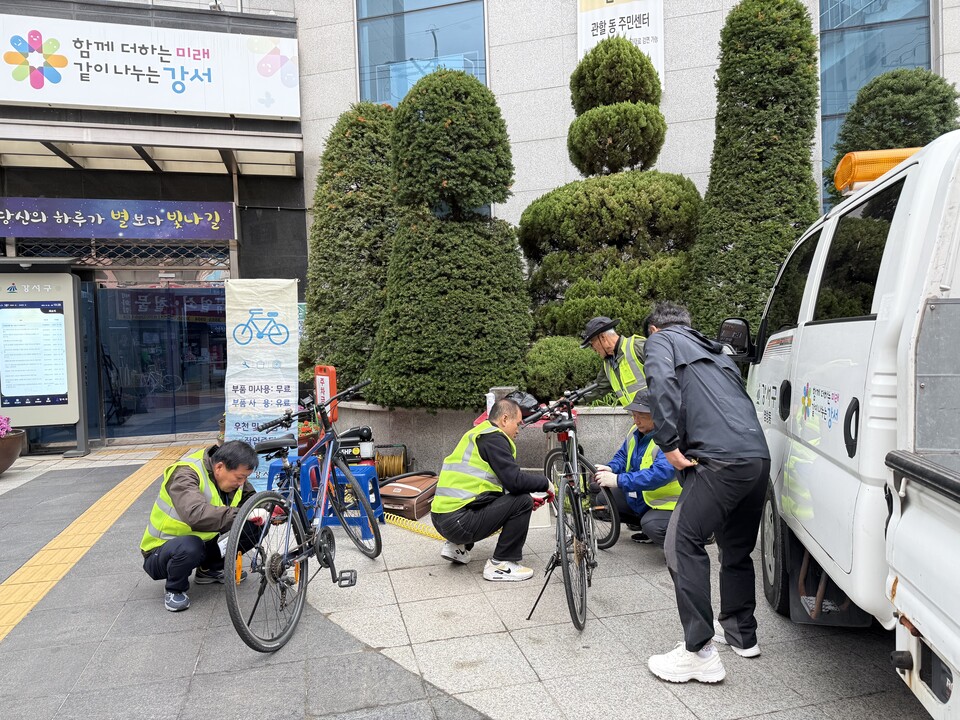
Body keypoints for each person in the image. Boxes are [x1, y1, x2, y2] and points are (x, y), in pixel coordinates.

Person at [642, 301, 771, 684]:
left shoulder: (661, 341)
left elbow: (661, 385)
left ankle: (699, 651)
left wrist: (667, 444)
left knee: (681, 543)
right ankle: (741, 634)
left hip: (718, 460)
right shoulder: (719, 352)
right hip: (756, 457)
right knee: (736, 549)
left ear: (654, 329)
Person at [431, 398, 554, 582]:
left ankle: (457, 547)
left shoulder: (478, 433)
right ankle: (501, 564)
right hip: (459, 522)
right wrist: (545, 483)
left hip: (440, 518)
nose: (518, 430)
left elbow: (485, 488)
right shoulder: (495, 438)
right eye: (517, 423)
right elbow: (514, 482)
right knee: (522, 501)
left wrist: (518, 498)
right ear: (505, 419)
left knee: (520, 498)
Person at [140, 440, 262, 612]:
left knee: (254, 525)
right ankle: (175, 589)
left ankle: (209, 569)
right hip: (161, 551)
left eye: (245, 478)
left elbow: (251, 500)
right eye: (240, 478)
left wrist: (269, 509)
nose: (242, 483)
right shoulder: (185, 473)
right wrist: (243, 514)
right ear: (219, 467)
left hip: (204, 543)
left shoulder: (233, 475)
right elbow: (195, 514)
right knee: (191, 545)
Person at [593, 389, 683, 548]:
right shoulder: (636, 431)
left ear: (657, 415)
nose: (636, 421)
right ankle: (647, 526)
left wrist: (618, 480)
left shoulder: (671, 437)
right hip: (645, 496)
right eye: (634, 415)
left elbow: (660, 474)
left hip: (672, 504)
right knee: (602, 500)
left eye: (641, 416)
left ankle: (685, 545)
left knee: (652, 525)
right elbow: (622, 456)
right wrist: (610, 468)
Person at [580, 316, 647, 408]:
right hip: (642, 419)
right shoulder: (608, 363)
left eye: (592, 344)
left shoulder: (637, 347)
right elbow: (598, 388)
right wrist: (572, 399)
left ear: (603, 337)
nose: (593, 349)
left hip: (662, 416)